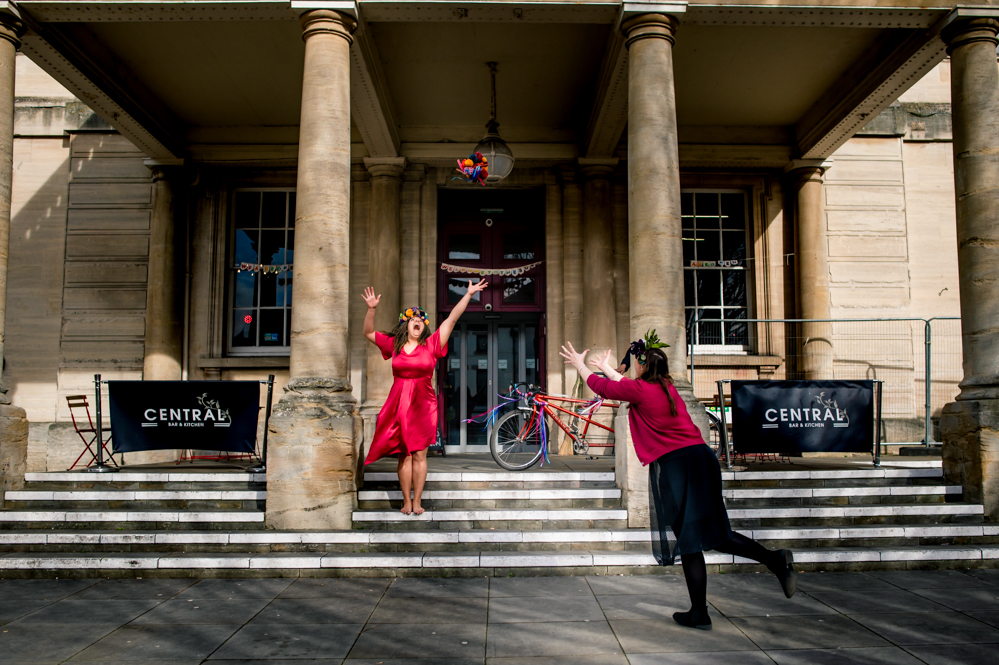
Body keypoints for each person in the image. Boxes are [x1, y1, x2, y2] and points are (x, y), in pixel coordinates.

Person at [560, 331, 796, 630]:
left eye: (636, 364)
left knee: (691, 539)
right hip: (700, 460)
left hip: (679, 465)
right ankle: (770, 563)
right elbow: (624, 384)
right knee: (712, 536)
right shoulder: (667, 387)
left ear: (643, 367)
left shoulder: (642, 390)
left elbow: (602, 387)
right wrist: (607, 366)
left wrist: (581, 365)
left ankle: (705, 609)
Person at [361, 279, 488, 515]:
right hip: (399, 402)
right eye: (412, 319)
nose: (417, 321)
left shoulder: (431, 344)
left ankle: (417, 500)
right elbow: (368, 332)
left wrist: (469, 294)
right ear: (405, 325)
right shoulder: (395, 345)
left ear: (424, 326)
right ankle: (406, 501)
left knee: (420, 453)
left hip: (423, 404)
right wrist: (371, 309)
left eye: (420, 319)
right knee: (404, 454)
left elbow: (452, 319)